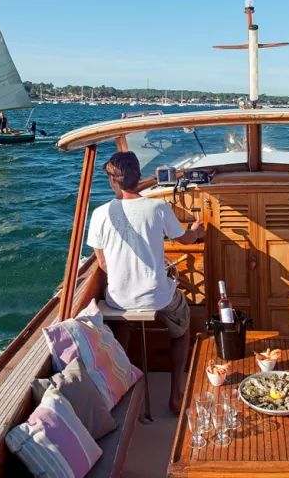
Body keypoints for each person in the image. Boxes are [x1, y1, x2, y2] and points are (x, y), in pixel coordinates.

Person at [87, 151, 204, 414]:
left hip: (119, 299)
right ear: (138, 177)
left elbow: (103, 264)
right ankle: (175, 396)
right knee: (181, 327)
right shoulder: (158, 207)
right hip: (157, 298)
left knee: (123, 323)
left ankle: (125, 386)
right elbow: (185, 240)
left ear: (112, 181)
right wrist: (197, 231)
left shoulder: (100, 213)